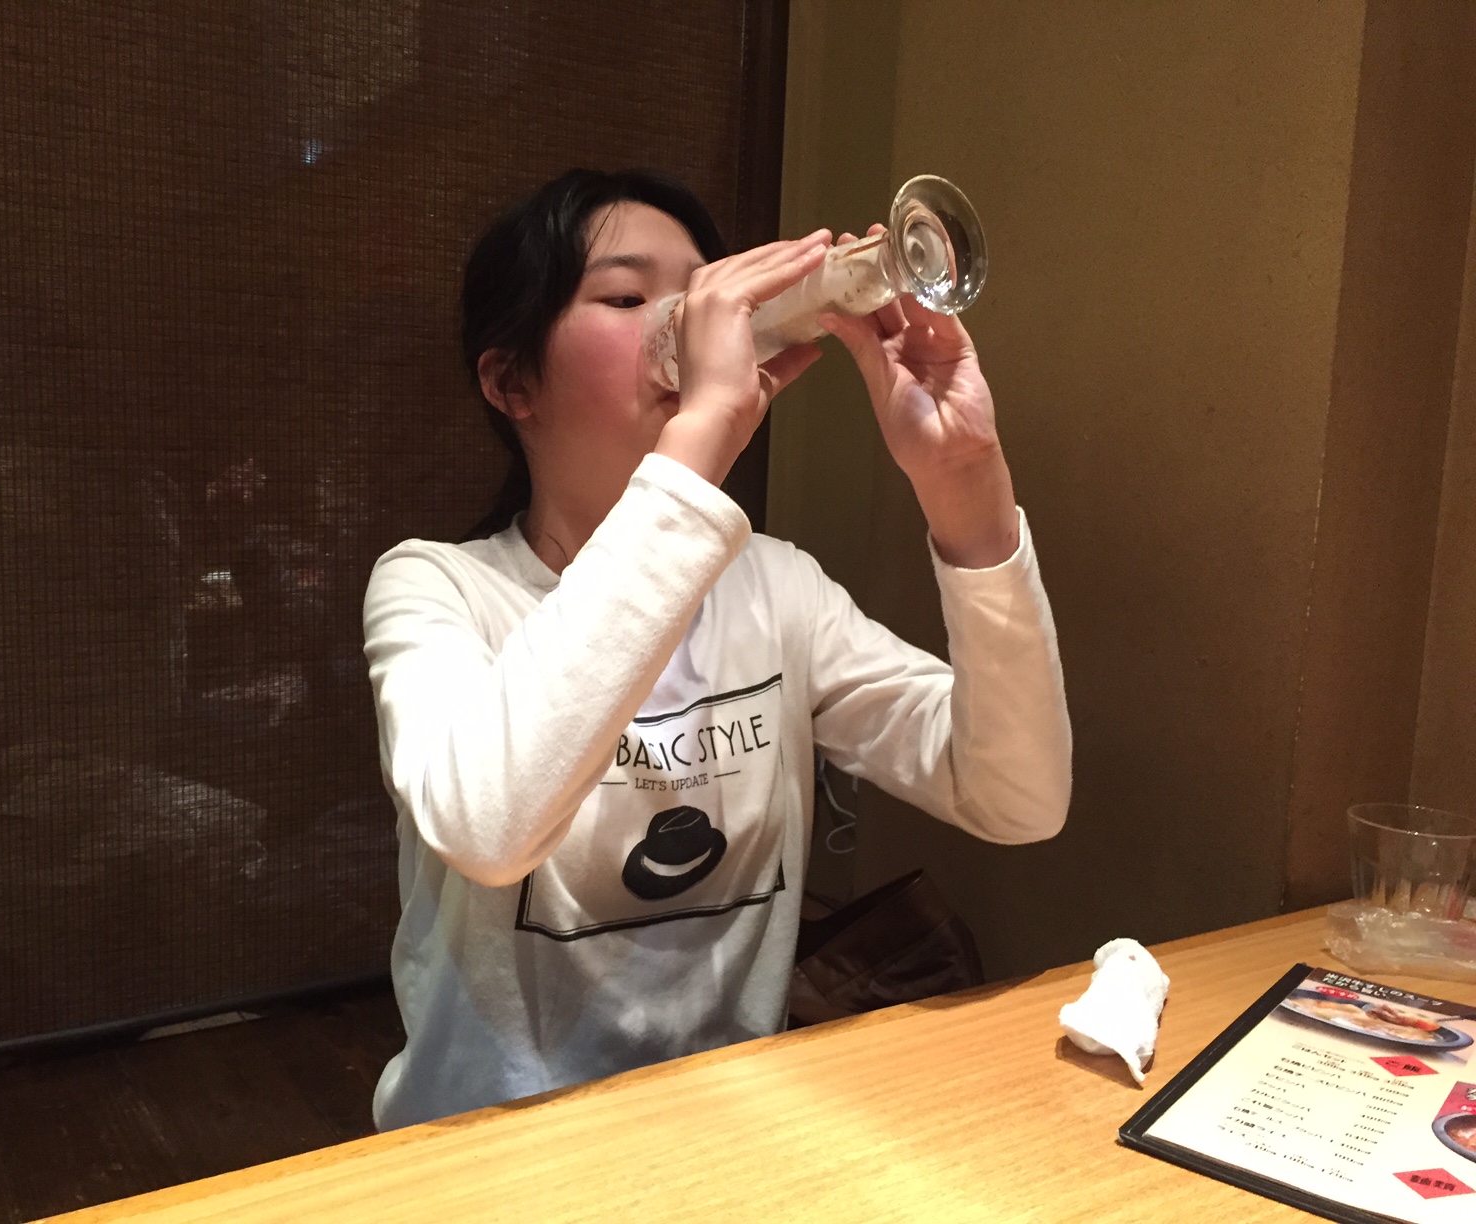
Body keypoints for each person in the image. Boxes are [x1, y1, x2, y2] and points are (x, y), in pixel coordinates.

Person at [363, 168, 1071, 1130]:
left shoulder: (774, 588)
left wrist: (965, 487)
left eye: (703, 292)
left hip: (728, 1136)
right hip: (485, 1151)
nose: (690, 323)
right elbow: (489, 827)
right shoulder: (436, 587)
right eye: (627, 298)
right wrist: (699, 434)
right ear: (511, 382)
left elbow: (1016, 797)